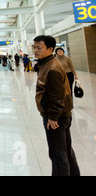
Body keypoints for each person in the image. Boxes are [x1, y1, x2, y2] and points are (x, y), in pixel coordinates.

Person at [33, 35, 80, 176]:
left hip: (55, 118)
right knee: (65, 150)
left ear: (50, 49)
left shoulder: (52, 67)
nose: (35, 50)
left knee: (57, 155)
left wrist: (53, 117)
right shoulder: (48, 63)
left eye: (39, 48)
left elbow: (58, 95)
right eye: (34, 47)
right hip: (62, 115)